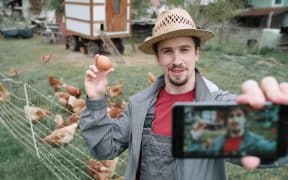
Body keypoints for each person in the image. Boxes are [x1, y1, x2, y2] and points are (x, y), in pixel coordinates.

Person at [80, 8, 288, 180]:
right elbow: (104, 149)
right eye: (167, 51)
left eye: (185, 49)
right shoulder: (140, 105)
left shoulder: (216, 106)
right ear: (158, 57)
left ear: (197, 53)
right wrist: (96, 98)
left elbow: (266, 147)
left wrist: (276, 122)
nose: (176, 60)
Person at [209, 107, 275, 156]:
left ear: (245, 119)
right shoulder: (217, 142)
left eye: (239, 115)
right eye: (231, 116)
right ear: (227, 120)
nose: (235, 120)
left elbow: (270, 148)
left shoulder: (256, 142)